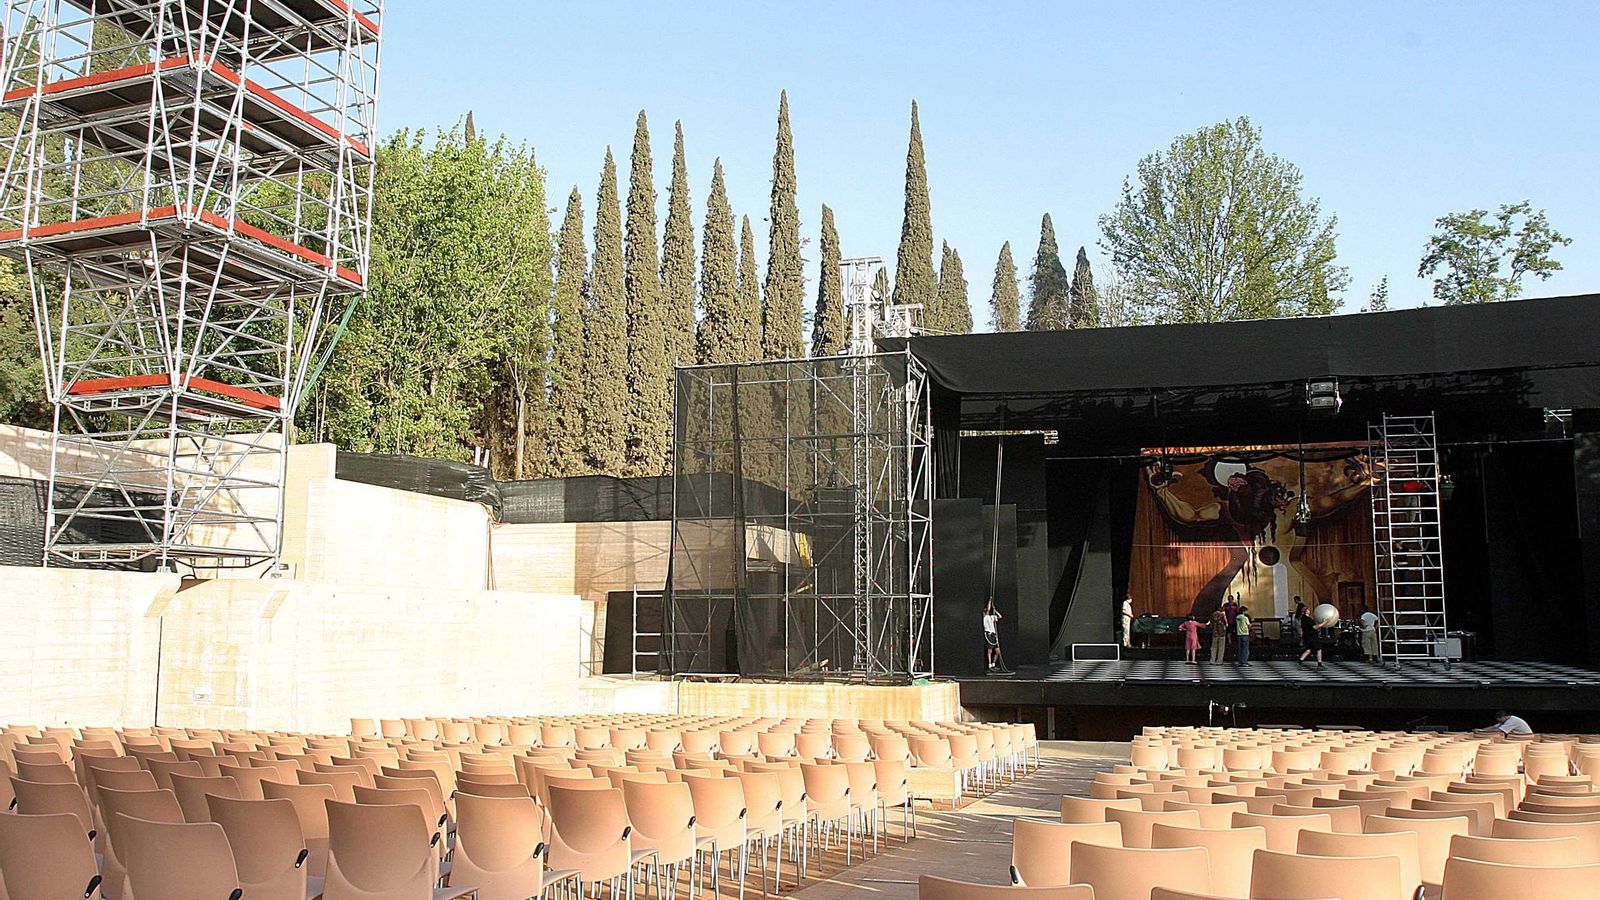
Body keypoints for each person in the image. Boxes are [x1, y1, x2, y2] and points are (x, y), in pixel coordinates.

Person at [1296, 600, 1329, 669]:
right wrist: (1324, 623)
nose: (1309, 611)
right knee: (1319, 649)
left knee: (1308, 650)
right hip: (1312, 637)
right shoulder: (1308, 619)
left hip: (1307, 637)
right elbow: (1315, 627)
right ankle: (1319, 665)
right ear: (1306, 611)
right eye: (1308, 610)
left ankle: (1299, 661)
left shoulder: (1303, 619)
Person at [983, 602, 1005, 672]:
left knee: (998, 652)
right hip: (989, 635)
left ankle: (993, 664)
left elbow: (1000, 616)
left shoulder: (991, 617)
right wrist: (990, 601)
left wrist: (995, 610)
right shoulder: (985, 618)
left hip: (993, 635)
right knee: (990, 651)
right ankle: (989, 666)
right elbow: (988, 609)